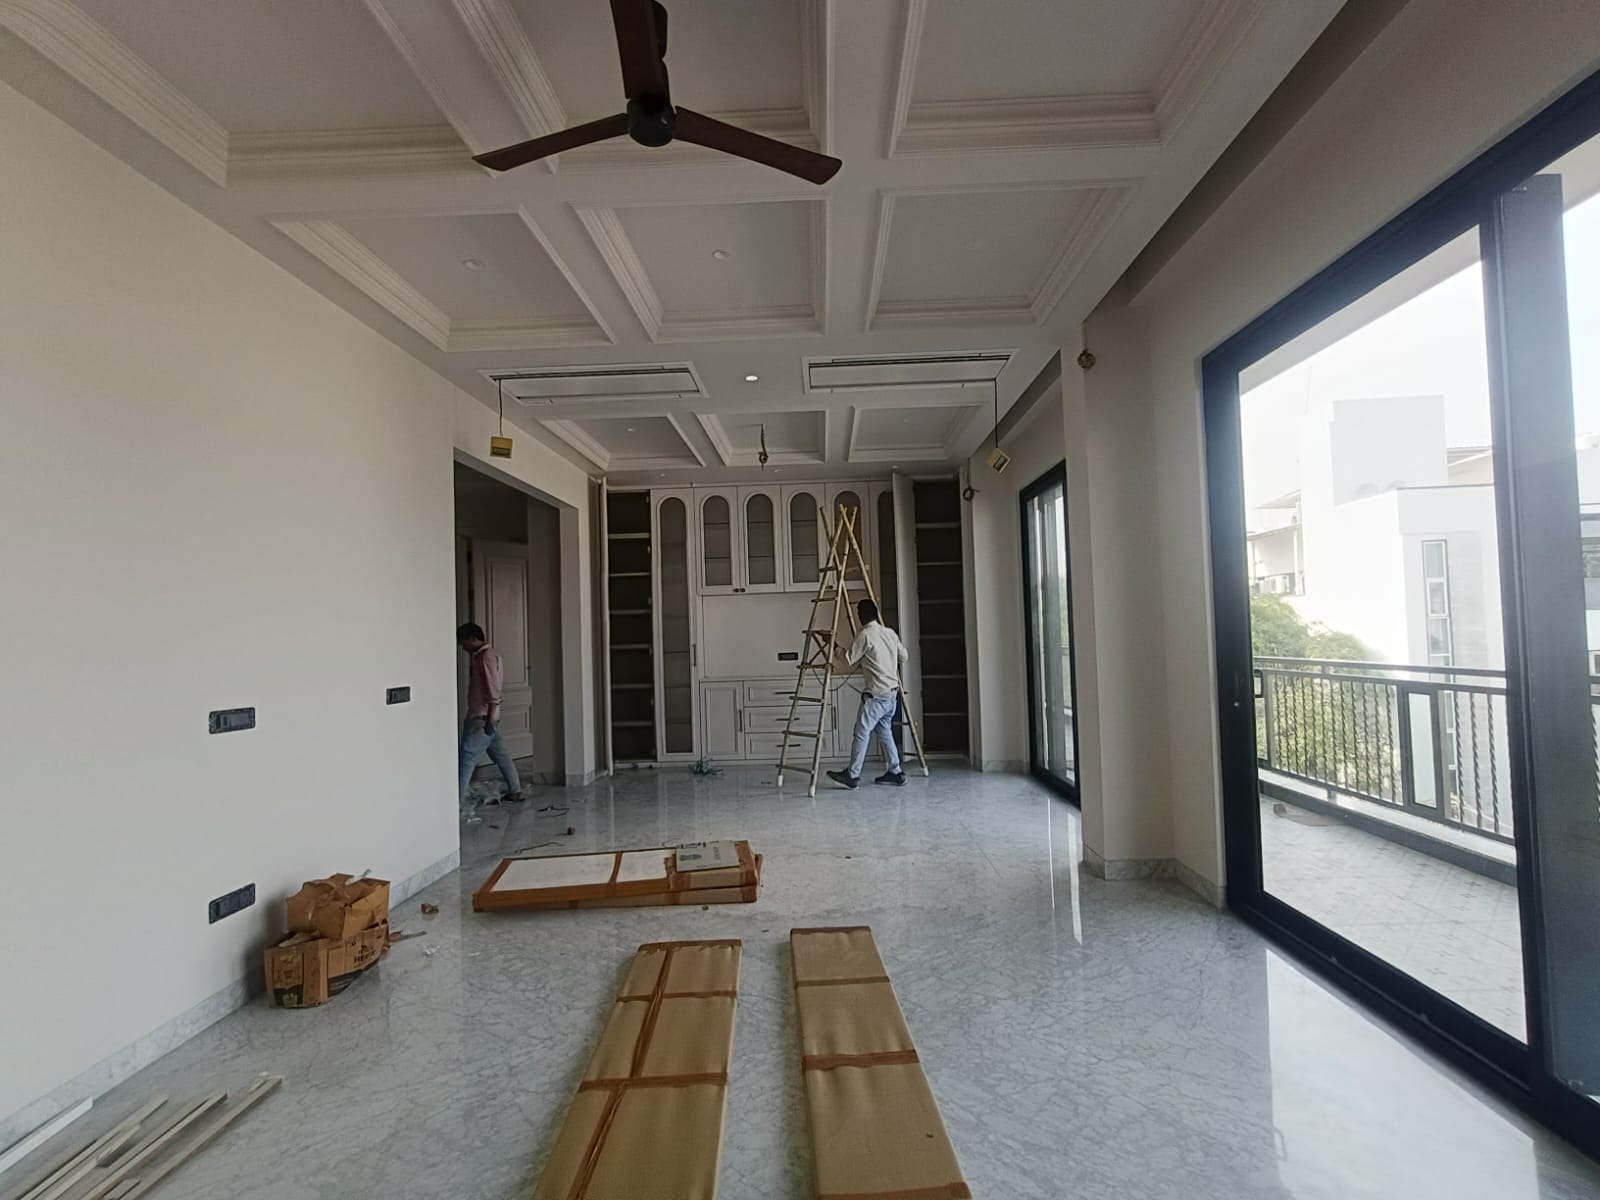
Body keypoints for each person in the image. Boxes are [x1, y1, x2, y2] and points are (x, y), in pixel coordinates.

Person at [457, 622, 567, 815]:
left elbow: (493, 691)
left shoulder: (485, 658)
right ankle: (515, 790)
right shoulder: (492, 655)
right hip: (487, 717)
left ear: (473, 638)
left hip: (481, 718)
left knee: (466, 760)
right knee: (501, 755)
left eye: (463, 642)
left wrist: (491, 718)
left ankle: (454, 803)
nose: (462, 647)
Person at [826, 599, 909, 789]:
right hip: (892, 694)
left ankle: (852, 775)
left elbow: (848, 659)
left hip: (876, 695)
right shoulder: (889, 633)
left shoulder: (865, 635)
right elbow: (904, 657)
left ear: (860, 616)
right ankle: (895, 772)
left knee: (861, 732)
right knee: (884, 731)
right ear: (877, 613)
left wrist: (834, 646)